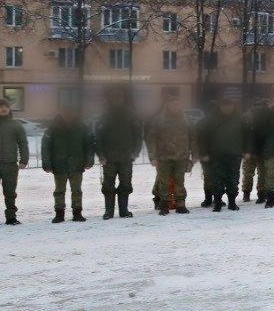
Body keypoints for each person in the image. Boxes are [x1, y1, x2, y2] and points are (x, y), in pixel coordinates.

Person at [94, 86, 143, 219]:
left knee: (126, 184)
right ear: (111, 99)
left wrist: (136, 152)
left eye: (120, 97)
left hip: (127, 157)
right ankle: (109, 211)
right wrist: (101, 155)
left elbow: (138, 135)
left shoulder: (130, 115)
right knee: (108, 185)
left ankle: (124, 210)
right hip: (109, 158)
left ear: (123, 99)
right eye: (115, 98)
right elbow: (98, 137)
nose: (117, 100)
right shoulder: (105, 116)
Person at [42, 105, 96, 223]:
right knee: (59, 191)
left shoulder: (83, 128)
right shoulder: (53, 128)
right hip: (59, 165)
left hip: (77, 164)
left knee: (77, 190)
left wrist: (89, 160)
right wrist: (47, 163)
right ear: (60, 113)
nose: (68, 115)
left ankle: (77, 213)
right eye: (65, 112)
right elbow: (45, 146)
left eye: (71, 112)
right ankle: (59, 214)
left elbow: (89, 145)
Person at [198, 95, 246, 213]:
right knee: (217, 180)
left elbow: (246, 136)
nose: (227, 109)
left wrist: (246, 150)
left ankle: (232, 203)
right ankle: (217, 203)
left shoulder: (239, 119)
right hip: (216, 155)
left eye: (230, 106)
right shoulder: (211, 120)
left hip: (234, 155)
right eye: (225, 106)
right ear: (220, 107)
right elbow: (203, 138)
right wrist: (203, 153)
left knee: (233, 180)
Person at [148, 96, 192, 215]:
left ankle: (180, 205)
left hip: (181, 157)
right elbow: (151, 139)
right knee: (164, 182)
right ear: (167, 105)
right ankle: (164, 205)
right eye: (173, 104)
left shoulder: (185, 120)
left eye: (178, 104)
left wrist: (193, 154)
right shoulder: (159, 120)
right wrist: (152, 156)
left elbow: (192, 138)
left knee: (180, 181)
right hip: (163, 157)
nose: (176, 106)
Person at [0, 98, 29, 225]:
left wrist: (24, 159)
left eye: (5, 106)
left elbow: (23, 143)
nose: (3, 108)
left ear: (9, 108)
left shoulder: (16, 125)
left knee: (10, 192)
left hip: (10, 164)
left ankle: (11, 217)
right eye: (0, 106)